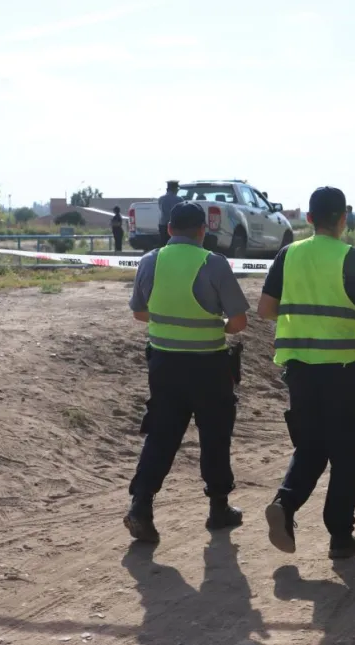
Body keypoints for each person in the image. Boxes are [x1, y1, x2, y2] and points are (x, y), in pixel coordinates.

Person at [257, 186, 355, 559]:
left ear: (308, 218)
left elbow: (265, 309)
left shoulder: (288, 254)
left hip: (300, 368)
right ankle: (340, 536)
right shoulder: (354, 259)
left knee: (311, 445)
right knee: (347, 454)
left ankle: (285, 505)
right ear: (343, 219)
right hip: (346, 370)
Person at [124, 201, 251, 543]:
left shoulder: (150, 260)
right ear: (202, 231)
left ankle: (141, 505)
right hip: (208, 365)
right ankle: (218, 508)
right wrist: (216, 325)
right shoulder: (214, 263)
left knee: (161, 434)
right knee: (214, 434)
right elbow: (238, 322)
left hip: (163, 364)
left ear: (168, 229)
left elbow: (139, 312)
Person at [157, 180, 184, 247]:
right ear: (175, 189)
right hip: (175, 224)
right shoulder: (179, 199)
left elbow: (161, 209)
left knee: (163, 243)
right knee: (175, 244)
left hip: (163, 224)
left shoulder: (161, 198)